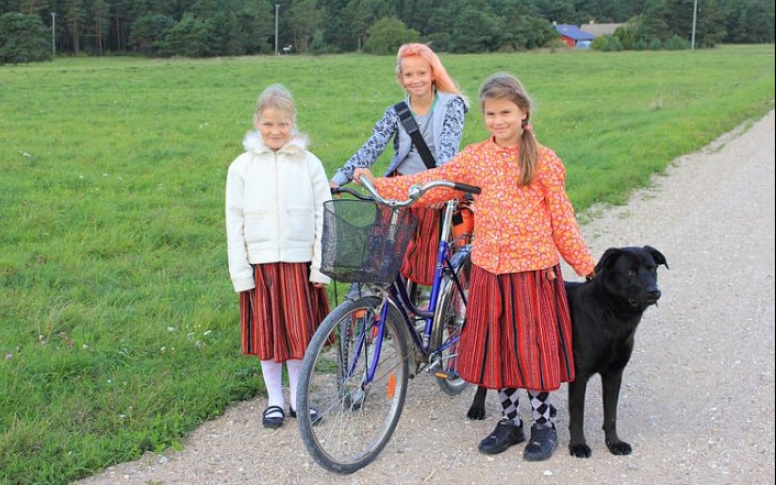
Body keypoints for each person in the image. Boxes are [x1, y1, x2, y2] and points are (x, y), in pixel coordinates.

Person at [353, 71, 596, 462]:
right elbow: (432, 181)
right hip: (489, 269)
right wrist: (380, 185)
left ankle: (543, 422)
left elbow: (562, 221)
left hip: (532, 270)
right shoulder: (476, 158)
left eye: (506, 112)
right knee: (499, 347)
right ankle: (510, 420)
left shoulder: (545, 162)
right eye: (491, 114)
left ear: (523, 114)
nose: (498, 121)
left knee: (531, 350)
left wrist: (587, 266)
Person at [225, 83, 331, 430]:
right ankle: (274, 399)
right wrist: (241, 272)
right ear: (257, 122)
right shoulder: (241, 166)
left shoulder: (309, 164)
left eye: (283, 124)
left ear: (293, 124)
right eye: (269, 124)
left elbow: (323, 214)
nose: (275, 131)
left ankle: (299, 399)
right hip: (262, 266)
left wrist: (321, 266)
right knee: (269, 337)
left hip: (300, 264)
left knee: (300, 337)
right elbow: (234, 219)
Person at [329, 42, 469, 295]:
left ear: (433, 73)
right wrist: (339, 179)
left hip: (433, 186)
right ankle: (377, 315)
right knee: (383, 254)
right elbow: (372, 147)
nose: (415, 80)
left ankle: (437, 317)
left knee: (430, 261)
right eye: (409, 74)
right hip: (400, 185)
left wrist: (440, 189)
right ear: (401, 78)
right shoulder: (396, 112)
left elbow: (449, 152)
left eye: (421, 73)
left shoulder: (452, 105)